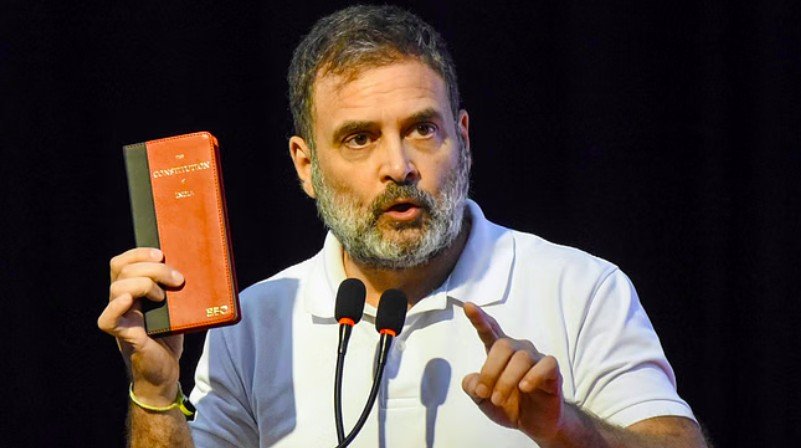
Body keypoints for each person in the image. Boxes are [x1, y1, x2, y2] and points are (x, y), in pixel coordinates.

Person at [99, 5, 709, 447]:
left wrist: (567, 430)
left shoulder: (581, 289)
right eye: (359, 138)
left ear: (462, 139)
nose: (399, 166)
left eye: (422, 128)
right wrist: (155, 393)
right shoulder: (254, 322)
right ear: (306, 166)